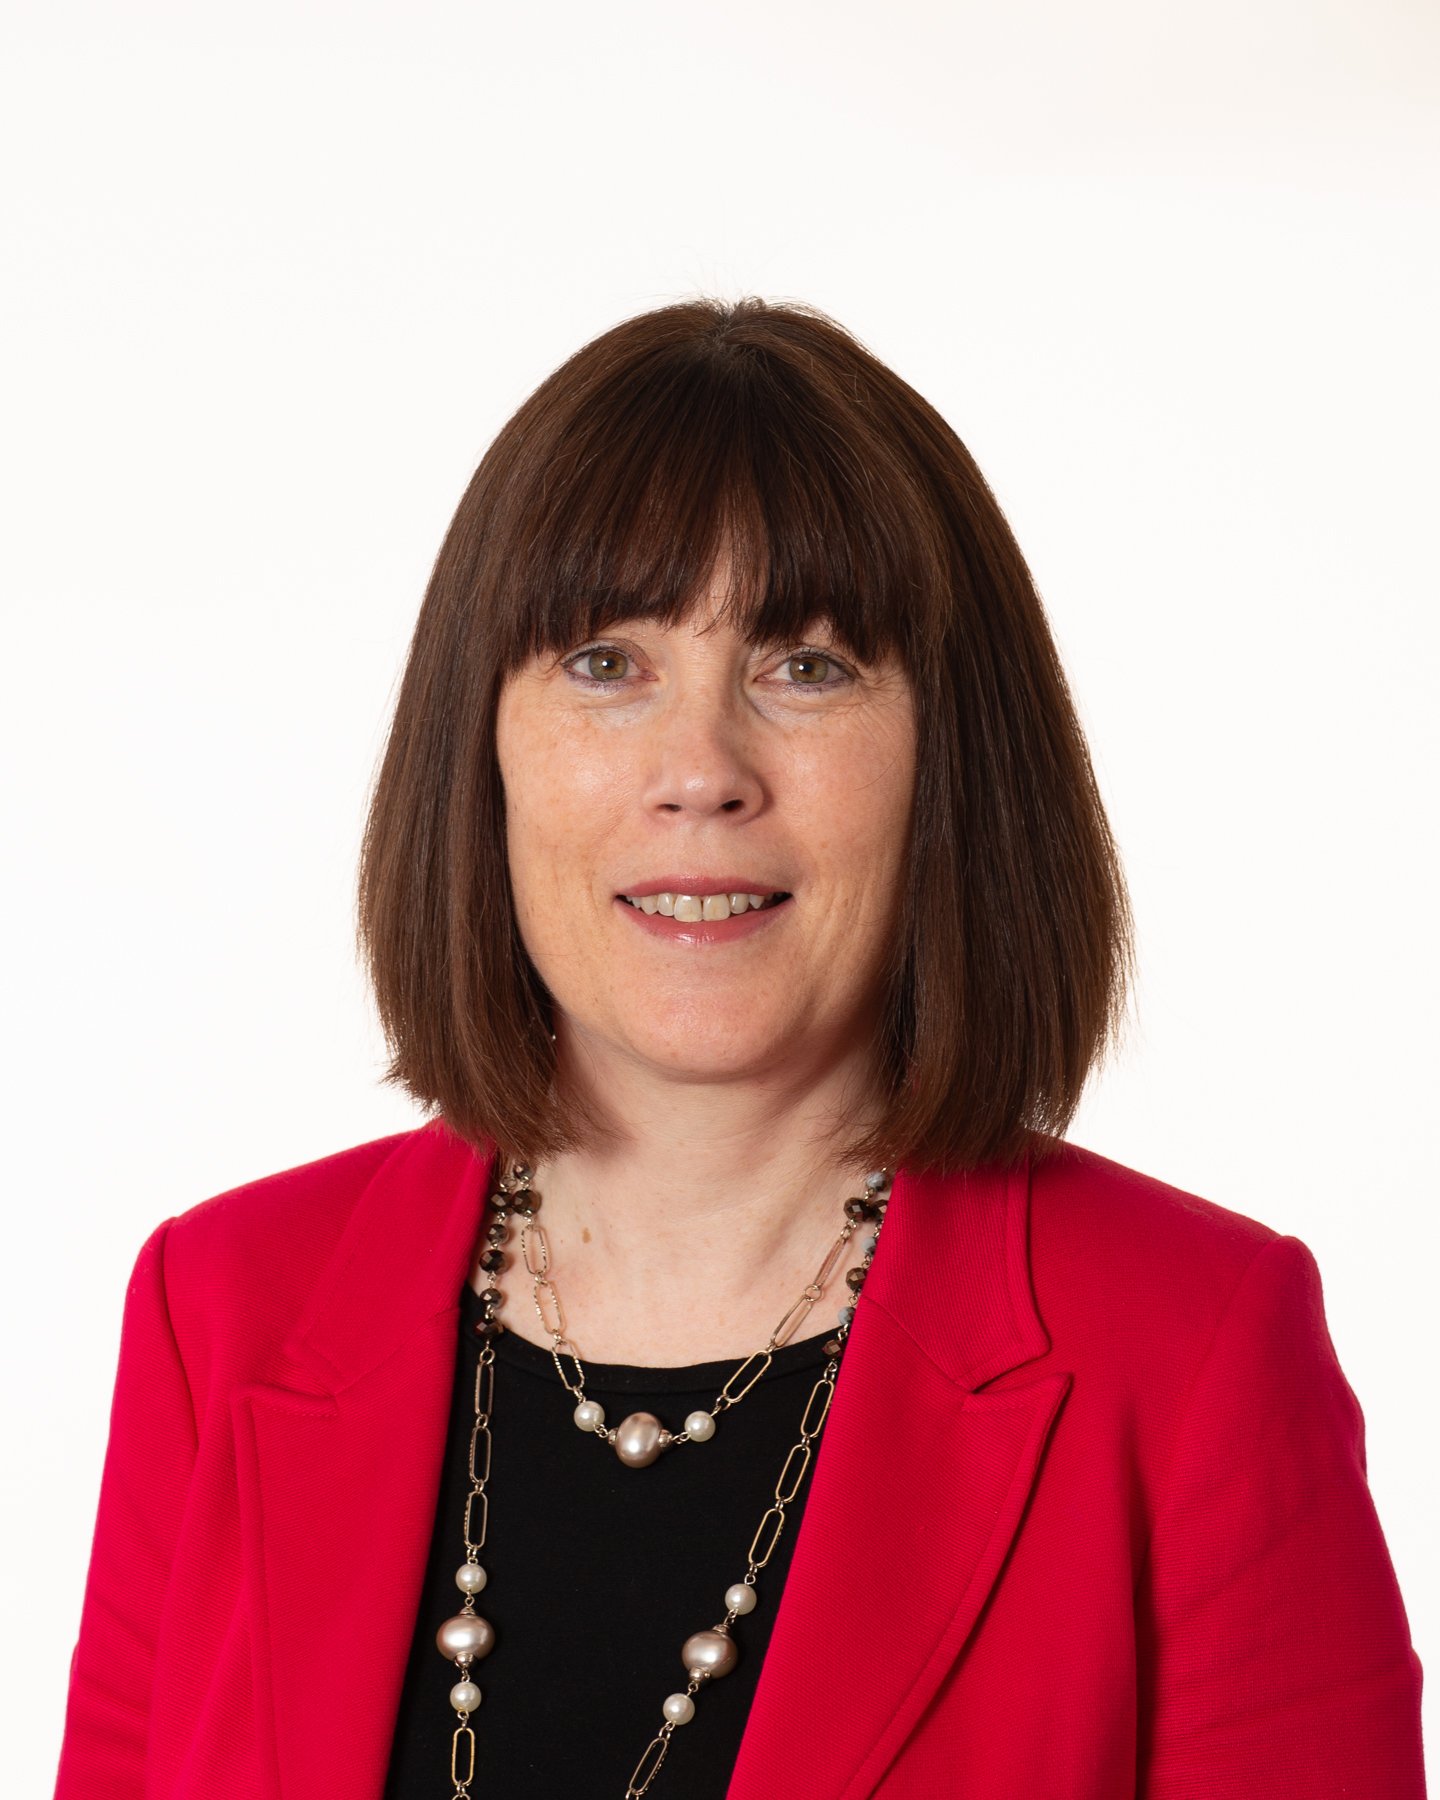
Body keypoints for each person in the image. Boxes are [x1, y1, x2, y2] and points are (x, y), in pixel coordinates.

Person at [54, 297, 1425, 1800]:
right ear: (482, 748)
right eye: (603, 663)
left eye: (809, 665)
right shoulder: (224, 1312)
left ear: (952, 762)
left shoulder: (1195, 1354)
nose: (701, 770)